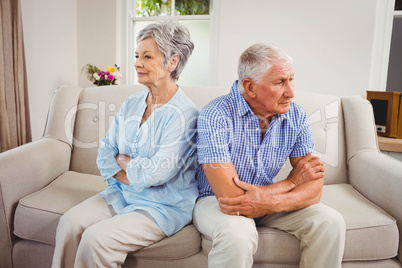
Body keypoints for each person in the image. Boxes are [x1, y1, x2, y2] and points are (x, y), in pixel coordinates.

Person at [52, 21, 199, 268]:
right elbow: (105, 152)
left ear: (172, 62)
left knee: (96, 239)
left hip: (162, 206)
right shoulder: (132, 102)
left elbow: (157, 173)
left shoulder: (186, 114)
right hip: (122, 194)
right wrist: (129, 167)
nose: (137, 63)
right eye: (136, 55)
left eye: (147, 56)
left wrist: (122, 161)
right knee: (69, 223)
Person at [194, 43, 346, 268]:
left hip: (267, 202)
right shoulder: (215, 115)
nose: (291, 92)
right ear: (250, 87)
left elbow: (314, 188)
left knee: (330, 222)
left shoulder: (297, 115)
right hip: (216, 202)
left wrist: (268, 202)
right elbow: (232, 198)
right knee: (238, 232)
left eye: (291, 79)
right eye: (280, 82)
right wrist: (292, 182)